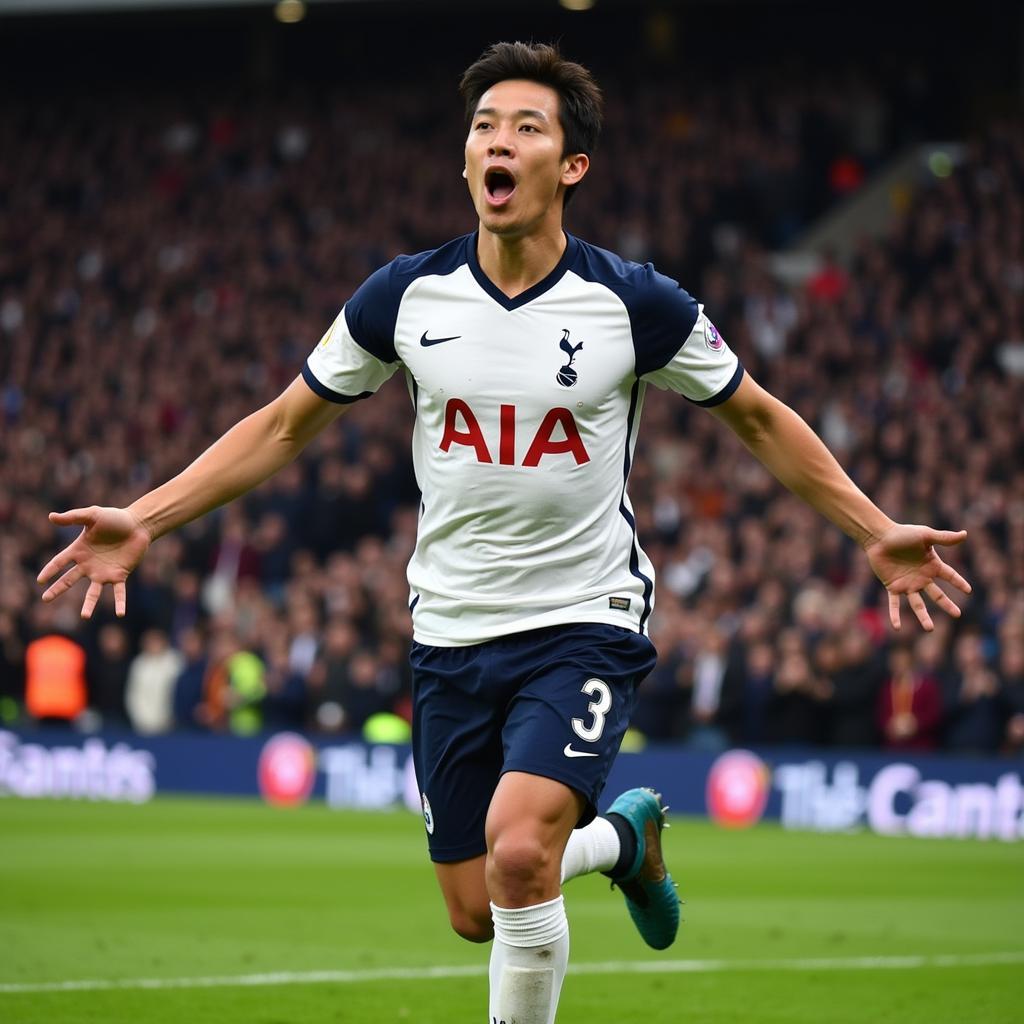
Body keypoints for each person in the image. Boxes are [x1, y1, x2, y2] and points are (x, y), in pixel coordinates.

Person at [37, 42, 972, 1024]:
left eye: (527, 126)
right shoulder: (402, 298)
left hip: (584, 614)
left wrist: (870, 526)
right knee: (477, 908)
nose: (499, 140)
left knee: (521, 853)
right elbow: (281, 426)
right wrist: (145, 513)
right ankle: (624, 839)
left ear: (571, 165)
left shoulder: (634, 303)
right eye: (484, 124)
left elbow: (755, 415)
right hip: (449, 628)